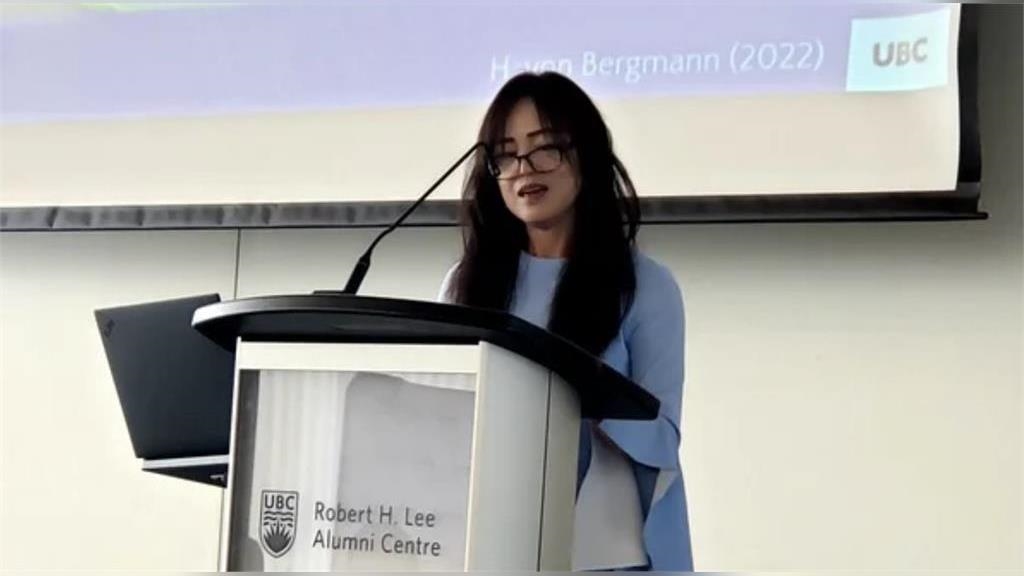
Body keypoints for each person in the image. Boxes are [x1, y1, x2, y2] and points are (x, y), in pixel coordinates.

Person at [438, 71, 692, 571]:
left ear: (587, 155)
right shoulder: (464, 285)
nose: (524, 169)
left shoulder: (645, 285)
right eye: (506, 155)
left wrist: (582, 399)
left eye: (545, 148)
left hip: (604, 550)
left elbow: (662, 437)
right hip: (489, 540)